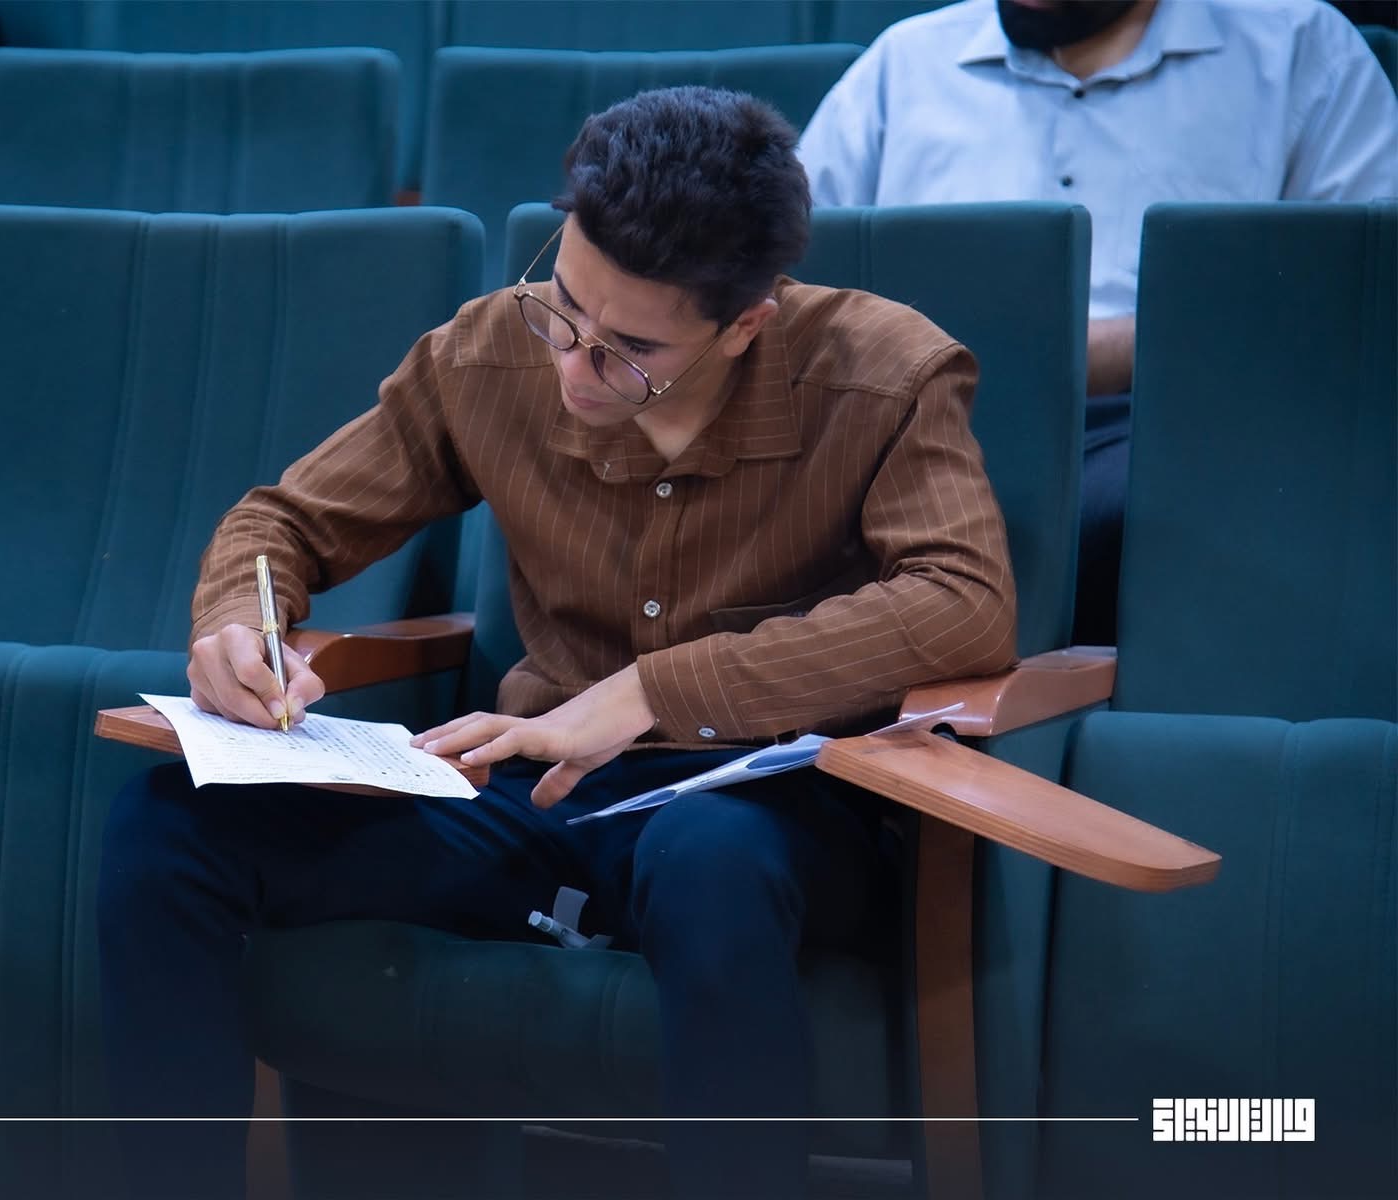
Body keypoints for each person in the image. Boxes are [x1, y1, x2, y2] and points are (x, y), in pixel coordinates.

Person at [98, 85, 1017, 1199]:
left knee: (709, 857)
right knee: (169, 823)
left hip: (771, 803)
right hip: (536, 796)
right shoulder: (488, 351)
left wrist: (655, 691)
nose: (573, 369)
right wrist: (240, 621)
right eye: (564, 309)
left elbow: (963, 600)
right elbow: (283, 523)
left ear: (746, 324)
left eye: (631, 351)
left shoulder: (884, 371)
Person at [798, 0, 1398, 644]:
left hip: (1175, 423)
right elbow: (789, 274)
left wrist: (1132, 348)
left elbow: (1356, 297)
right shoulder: (904, 61)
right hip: (923, 419)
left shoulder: (1299, 47)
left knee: (1141, 510)